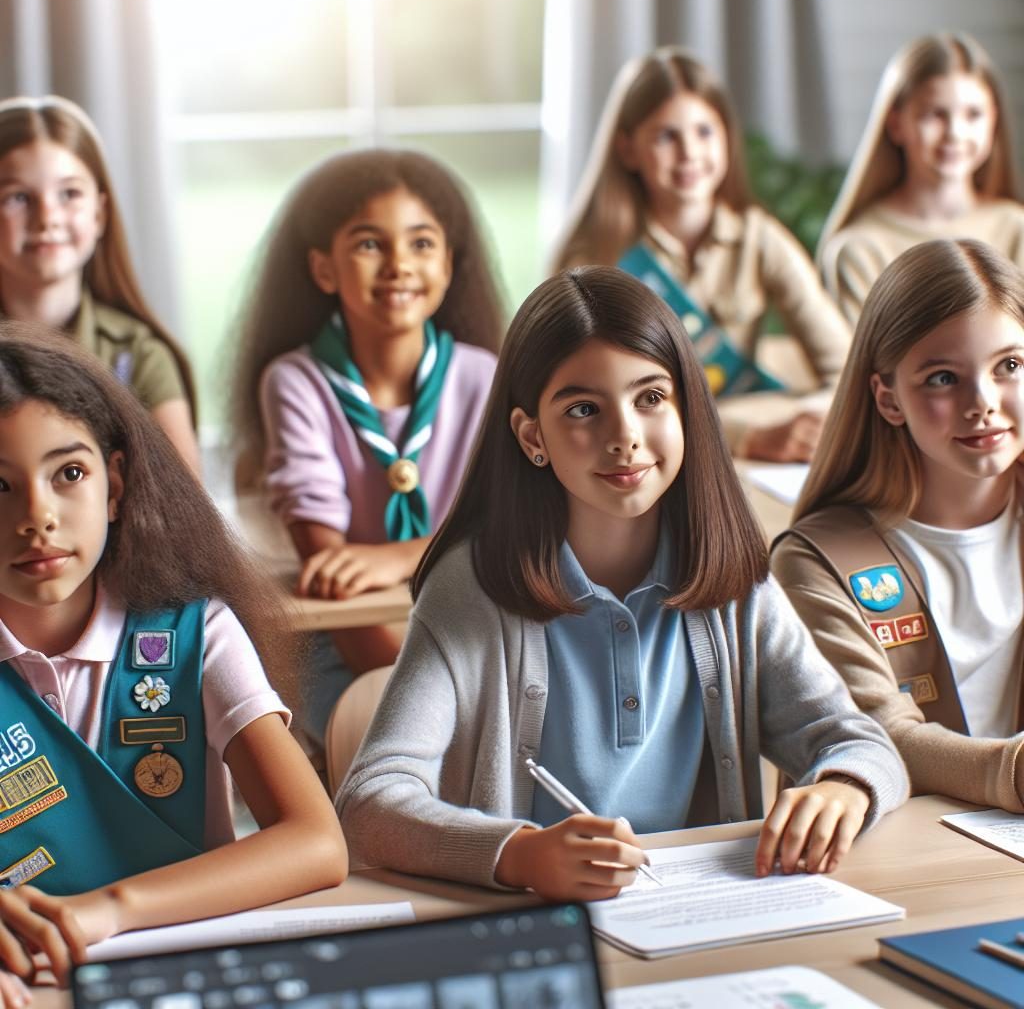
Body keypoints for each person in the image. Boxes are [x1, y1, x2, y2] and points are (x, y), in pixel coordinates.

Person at [336, 266, 907, 900]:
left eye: (651, 398)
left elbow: (859, 741)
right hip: (544, 922)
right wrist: (519, 854)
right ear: (533, 438)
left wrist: (843, 786)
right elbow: (370, 801)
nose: (625, 438)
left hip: (702, 919)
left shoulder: (732, 583)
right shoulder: (473, 589)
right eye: (584, 409)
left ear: (687, 408)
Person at [0, 325, 347, 1007]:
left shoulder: (196, 633)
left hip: (187, 978)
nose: (37, 518)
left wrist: (111, 908)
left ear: (116, 484)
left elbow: (317, 843)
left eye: (69, 474)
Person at [231, 149, 503, 743]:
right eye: (369, 244)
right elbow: (332, 577)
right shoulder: (295, 382)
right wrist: (427, 685)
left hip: (480, 626)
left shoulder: (486, 376)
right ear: (324, 269)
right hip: (349, 642)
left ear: (450, 264)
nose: (399, 264)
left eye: (421, 243)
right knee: (379, 732)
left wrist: (402, 555)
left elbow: (513, 527)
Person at [773, 239, 1024, 812]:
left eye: (1009, 365)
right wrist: (1014, 771)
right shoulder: (817, 558)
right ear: (889, 400)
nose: (982, 402)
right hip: (904, 852)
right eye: (941, 378)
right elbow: (875, 733)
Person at [551, 48, 850, 463]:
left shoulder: (758, 238)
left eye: (705, 132)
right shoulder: (595, 257)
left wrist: (807, 423)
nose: (690, 152)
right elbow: (590, 405)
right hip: (629, 462)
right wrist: (746, 432)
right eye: (666, 137)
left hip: (739, 468)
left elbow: (847, 370)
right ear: (628, 150)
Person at [0, 96, 200, 472]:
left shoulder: (140, 357)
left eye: (69, 194)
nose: (47, 217)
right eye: (18, 198)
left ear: (99, 214)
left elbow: (182, 505)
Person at [818, 33, 1024, 327]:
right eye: (935, 114)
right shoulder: (859, 249)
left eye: (973, 114)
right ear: (896, 124)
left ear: (994, 120)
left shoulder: (1017, 228)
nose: (955, 132)